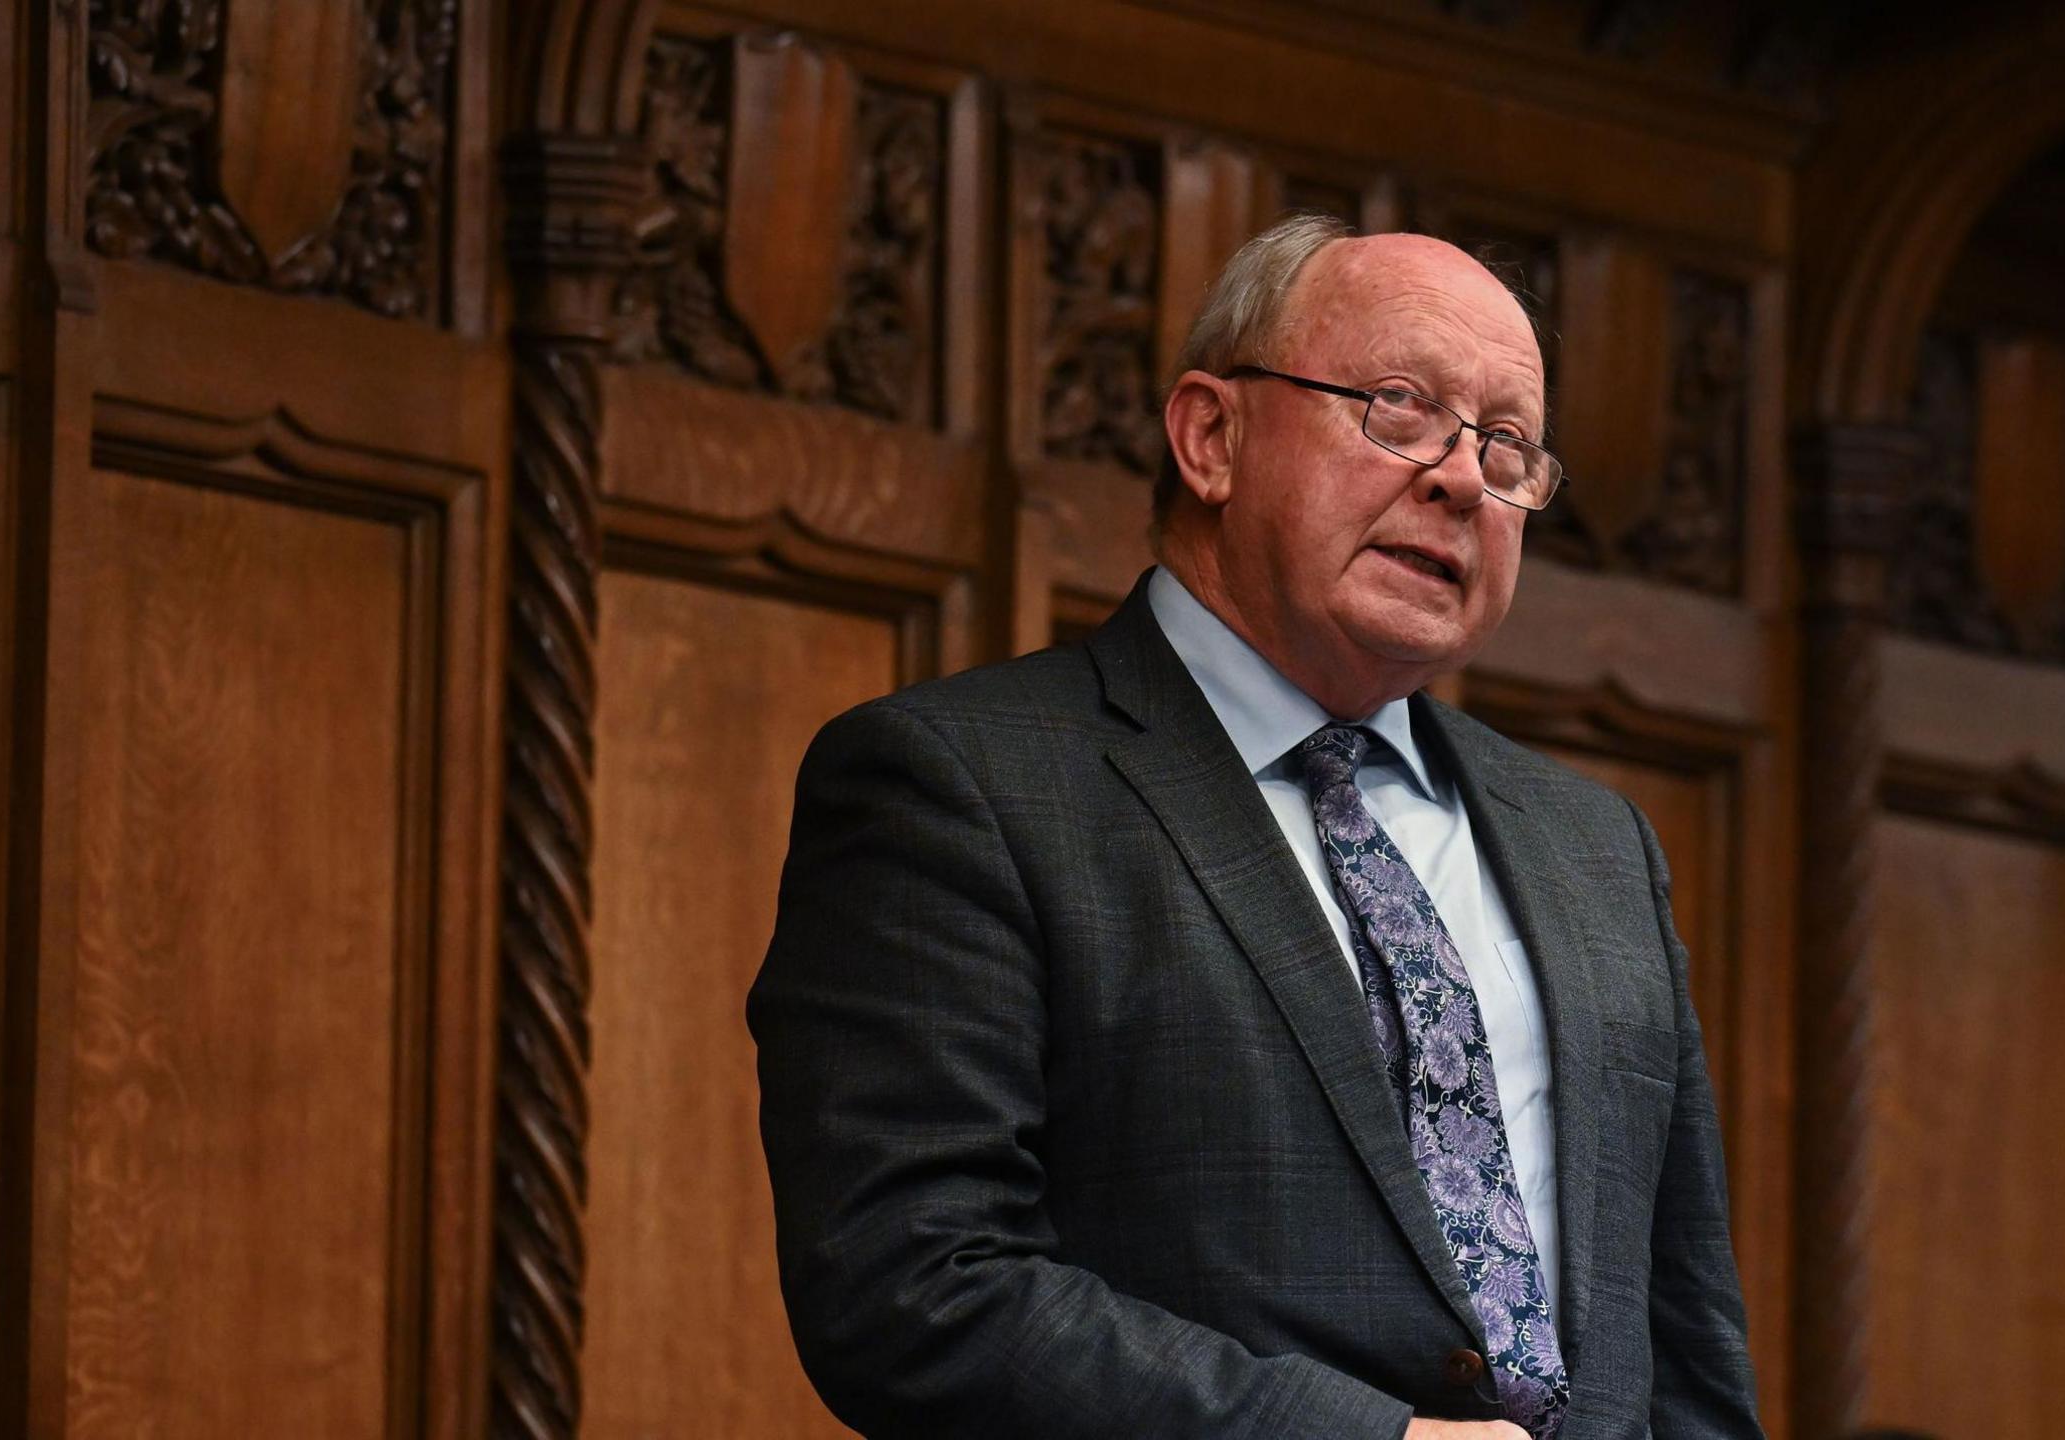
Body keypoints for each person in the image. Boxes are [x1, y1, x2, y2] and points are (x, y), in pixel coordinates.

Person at [750, 214, 1763, 1439]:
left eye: (1507, 449)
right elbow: (908, 1287)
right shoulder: (961, 784)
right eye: (1398, 405)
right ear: (1211, 435)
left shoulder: (1595, 847)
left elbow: (1684, 1345)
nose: (1458, 479)